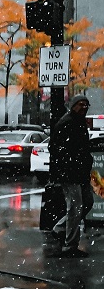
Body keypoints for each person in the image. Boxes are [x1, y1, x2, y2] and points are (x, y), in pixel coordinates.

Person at [49, 94, 94, 258]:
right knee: (76, 207)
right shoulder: (67, 123)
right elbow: (54, 147)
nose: (84, 107)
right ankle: (70, 245)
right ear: (73, 105)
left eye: (86, 105)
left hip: (79, 173)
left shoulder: (78, 122)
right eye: (81, 104)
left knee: (87, 202)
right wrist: (67, 165)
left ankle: (60, 228)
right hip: (70, 173)